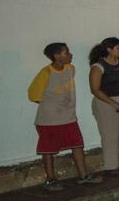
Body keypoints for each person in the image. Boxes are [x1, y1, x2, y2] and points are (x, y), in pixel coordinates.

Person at [28, 43, 101, 189]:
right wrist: (53, 106)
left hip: (68, 117)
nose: (70, 55)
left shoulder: (70, 69)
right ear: (57, 56)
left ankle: (83, 175)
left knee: (77, 144)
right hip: (49, 119)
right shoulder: (46, 73)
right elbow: (33, 95)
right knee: (48, 149)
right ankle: (50, 179)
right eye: (66, 52)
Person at [88, 37, 119, 174]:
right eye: (118, 48)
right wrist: (114, 104)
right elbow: (95, 90)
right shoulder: (98, 67)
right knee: (110, 135)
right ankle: (111, 166)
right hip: (105, 101)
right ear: (109, 50)